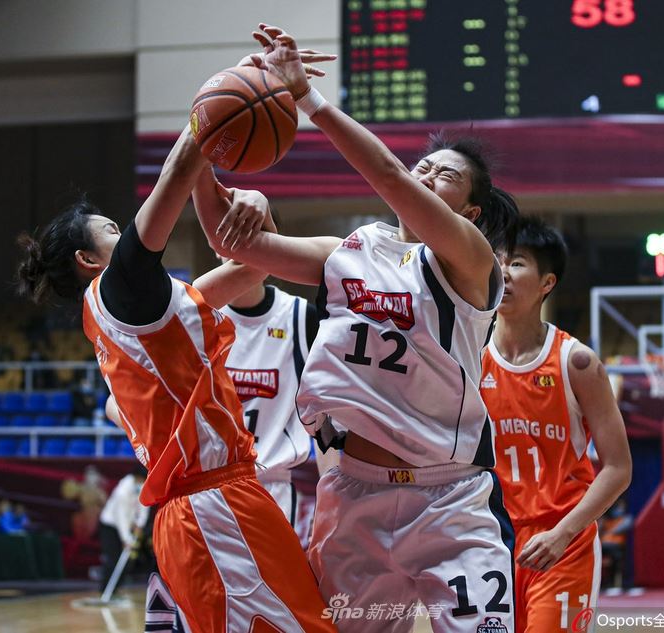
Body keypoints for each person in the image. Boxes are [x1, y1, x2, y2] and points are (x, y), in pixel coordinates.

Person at [212, 24, 520, 632]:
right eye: (424, 166)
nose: (427, 174)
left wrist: (311, 103)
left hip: (449, 498)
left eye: (446, 176)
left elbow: (389, 177)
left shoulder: (471, 257)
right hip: (352, 497)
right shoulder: (350, 250)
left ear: (471, 210)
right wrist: (212, 158)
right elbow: (237, 246)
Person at [15, 48, 336, 633]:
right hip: (213, 504)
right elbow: (177, 170)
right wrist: (234, 86)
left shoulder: (150, 307)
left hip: (217, 502)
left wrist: (257, 212)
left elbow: (250, 267)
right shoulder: (122, 288)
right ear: (91, 259)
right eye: (114, 230)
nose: (128, 233)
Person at [479, 216, 632, 632]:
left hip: (560, 544)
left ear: (547, 283)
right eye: (499, 261)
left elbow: (619, 468)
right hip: (488, 542)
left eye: (518, 264)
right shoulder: (468, 354)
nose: (503, 274)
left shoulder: (577, 362)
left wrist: (563, 533)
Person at [193, 204, 337, 535]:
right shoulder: (195, 316)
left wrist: (333, 492)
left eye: (253, 235)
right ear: (217, 247)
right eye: (231, 235)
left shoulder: (303, 317)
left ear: (273, 247)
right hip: (204, 489)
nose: (241, 244)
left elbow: (328, 415)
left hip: (271, 486)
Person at [98, 466, 149, 596]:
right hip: (111, 526)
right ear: (136, 478)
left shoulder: (142, 486)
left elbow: (144, 506)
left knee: (128, 561)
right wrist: (126, 539)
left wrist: (140, 524)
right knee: (113, 559)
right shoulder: (123, 491)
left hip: (129, 526)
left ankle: (116, 590)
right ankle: (105, 591)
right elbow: (121, 518)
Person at [600, 497, 632, 588]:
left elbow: (619, 530)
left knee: (618, 559)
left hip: (616, 547)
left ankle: (624, 585)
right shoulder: (606, 519)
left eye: (621, 506)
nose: (619, 508)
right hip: (604, 546)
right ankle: (605, 584)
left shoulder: (626, 519)